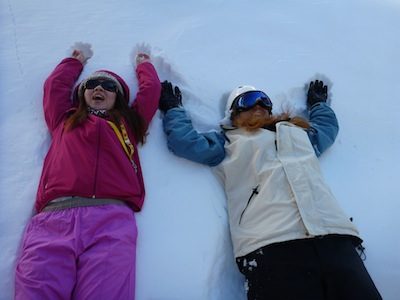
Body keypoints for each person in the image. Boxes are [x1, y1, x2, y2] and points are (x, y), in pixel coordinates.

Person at [158, 80, 382, 299]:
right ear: (233, 113)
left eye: (264, 100)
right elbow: (185, 142)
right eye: (247, 101)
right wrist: (174, 110)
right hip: (271, 247)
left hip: (335, 240)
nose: (258, 105)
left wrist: (318, 105)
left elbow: (327, 129)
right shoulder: (228, 142)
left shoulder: (299, 135)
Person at [15, 44, 161, 299]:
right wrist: (75, 62)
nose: (99, 88)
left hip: (111, 220)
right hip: (54, 219)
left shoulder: (128, 124)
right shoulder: (64, 120)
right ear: (82, 94)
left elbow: (151, 94)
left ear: (119, 97)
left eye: (109, 86)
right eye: (92, 85)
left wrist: (144, 67)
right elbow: (53, 88)